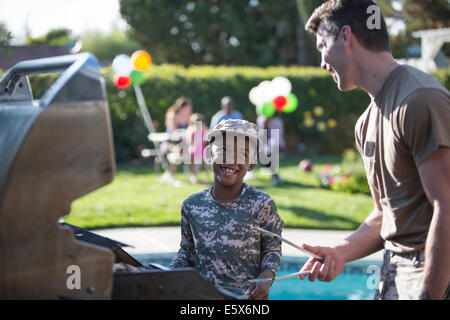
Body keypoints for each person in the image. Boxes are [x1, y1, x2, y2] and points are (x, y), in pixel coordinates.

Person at [296, 0, 450, 300]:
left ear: (345, 36)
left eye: (321, 46)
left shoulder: (420, 99)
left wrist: (431, 293)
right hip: (393, 271)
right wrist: (341, 250)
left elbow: (447, 205)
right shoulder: (365, 123)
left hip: (435, 275)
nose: (322, 64)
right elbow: (385, 214)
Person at [170, 119, 284, 300]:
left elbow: (272, 250)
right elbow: (187, 251)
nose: (232, 159)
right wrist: (171, 273)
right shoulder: (192, 205)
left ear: (252, 162)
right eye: (224, 150)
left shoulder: (262, 204)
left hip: (245, 299)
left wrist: (266, 277)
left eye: (243, 154)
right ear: (208, 154)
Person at [160, 96, 193, 186]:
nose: (190, 110)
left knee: (193, 151)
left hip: (184, 143)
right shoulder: (172, 115)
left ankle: (192, 176)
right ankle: (170, 174)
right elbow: (173, 132)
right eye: (188, 108)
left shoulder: (189, 117)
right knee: (178, 153)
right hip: (170, 142)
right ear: (182, 107)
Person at [257, 112, 286, 186]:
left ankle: (275, 177)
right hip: (264, 145)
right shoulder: (261, 120)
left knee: (268, 155)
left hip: (276, 144)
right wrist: (265, 125)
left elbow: (277, 137)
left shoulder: (277, 121)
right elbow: (262, 136)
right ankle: (276, 177)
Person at [184, 113, 210, 184]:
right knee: (198, 163)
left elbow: (205, 142)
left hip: (202, 150)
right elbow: (191, 142)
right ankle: (196, 178)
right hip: (197, 150)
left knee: (206, 163)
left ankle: (206, 178)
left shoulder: (203, 131)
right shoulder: (193, 132)